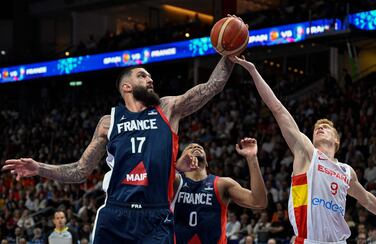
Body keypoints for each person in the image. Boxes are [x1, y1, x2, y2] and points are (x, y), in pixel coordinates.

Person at [2, 52, 237, 243]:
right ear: (127, 86)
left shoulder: (167, 109)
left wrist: (229, 53)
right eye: (142, 76)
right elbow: (80, 171)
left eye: (150, 76)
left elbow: (212, 86)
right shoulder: (109, 122)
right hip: (116, 214)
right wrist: (39, 168)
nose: (150, 80)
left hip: (155, 215)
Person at [230, 56, 376, 243]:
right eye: (316, 128)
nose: (319, 128)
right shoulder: (307, 153)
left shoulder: (347, 171)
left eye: (325, 127)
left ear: (336, 140)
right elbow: (278, 109)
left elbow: (366, 199)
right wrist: (253, 71)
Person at [173, 139, 267, 244]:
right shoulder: (175, 182)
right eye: (190, 147)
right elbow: (153, 181)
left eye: (200, 147)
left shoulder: (222, 184)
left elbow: (259, 201)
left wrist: (252, 158)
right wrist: (176, 167)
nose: (196, 147)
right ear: (181, 158)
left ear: (207, 162)